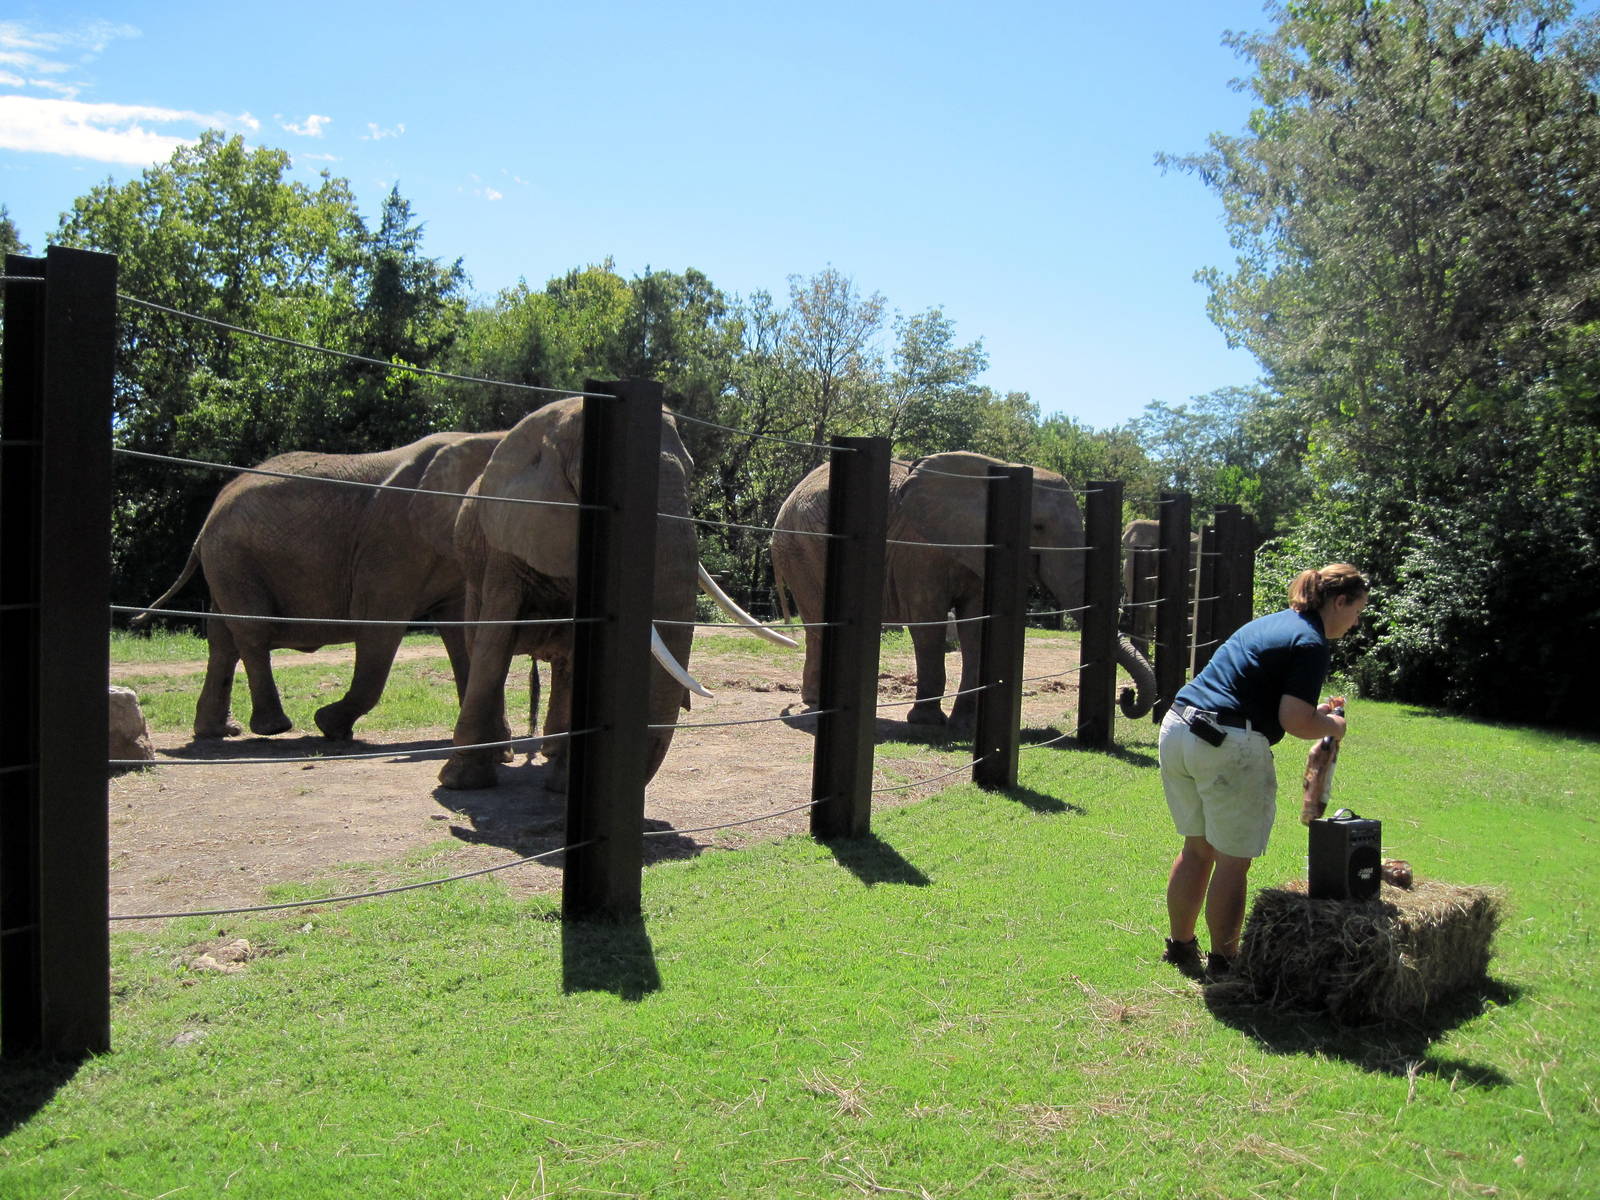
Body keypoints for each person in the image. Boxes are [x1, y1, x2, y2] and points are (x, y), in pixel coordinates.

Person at [1158, 563, 1370, 979]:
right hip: (1226, 744)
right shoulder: (1311, 642)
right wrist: (1334, 726)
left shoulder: (1274, 623)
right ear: (1339, 601)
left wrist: (1317, 714)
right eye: (1357, 611)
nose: (1356, 622)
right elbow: (1295, 721)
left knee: (1197, 849)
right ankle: (1225, 964)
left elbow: (1267, 694)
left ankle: (1181, 949)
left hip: (1179, 728)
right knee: (1233, 861)